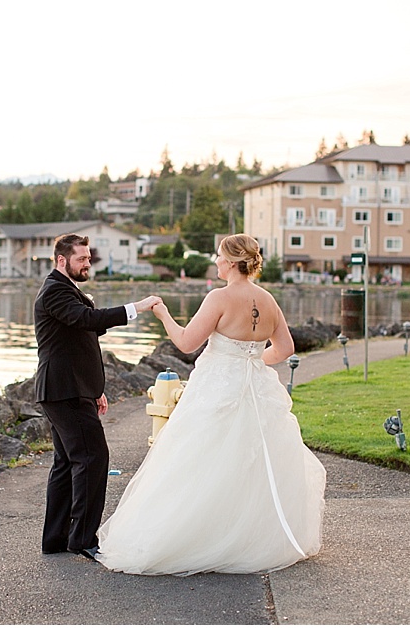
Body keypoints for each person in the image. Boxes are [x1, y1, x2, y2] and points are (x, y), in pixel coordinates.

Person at [96, 234, 326, 576]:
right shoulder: (267, 299)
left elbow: (187, 342)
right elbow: (285, 348)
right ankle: (248, 537)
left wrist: (163, 315)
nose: (215, 262)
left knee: (199, 458)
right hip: (257, 385)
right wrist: (254, 360)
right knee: (253, 459)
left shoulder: (219, 297)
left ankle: (202, 538)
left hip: (218, 387)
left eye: (219, 256)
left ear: (231, 262)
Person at [34, 233, 161, 560]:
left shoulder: (66, 290)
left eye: (89, 258)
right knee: (92, 458)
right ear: (62, 260)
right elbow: (89, 320)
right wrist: (138, 307)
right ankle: (83, 539)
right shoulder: (54, 291)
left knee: (67, 463)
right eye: (81, 259)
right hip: (64, 391)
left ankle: (56, 539)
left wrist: (95, 390)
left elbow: (83, 337)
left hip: (69, 389)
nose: (88, 263)